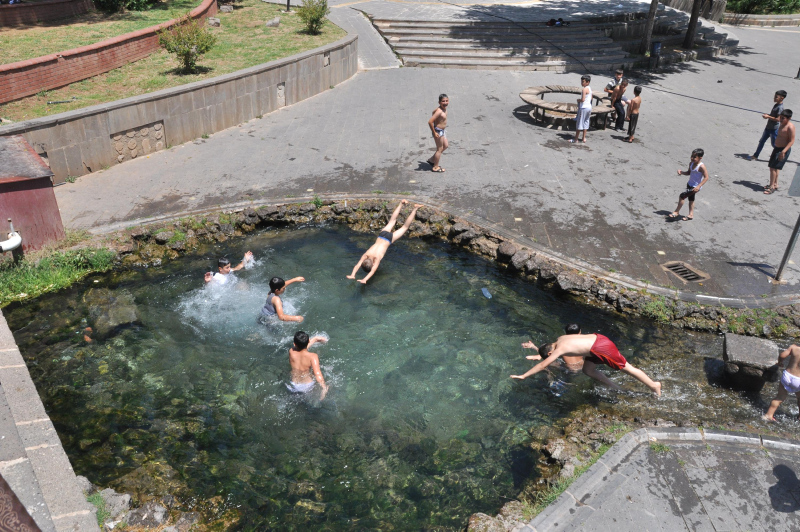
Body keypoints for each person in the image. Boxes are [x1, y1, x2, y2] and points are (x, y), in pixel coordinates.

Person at [511, 333, 662, 396]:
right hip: (597, 342)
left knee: (628, 368)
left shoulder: (560, 349)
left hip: (602, 348)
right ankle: (615, 387)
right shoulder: (561, 338)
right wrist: (536, 348)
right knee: (588, 370)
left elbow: (542, 365)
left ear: (550, 354)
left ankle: (654, 385)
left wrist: (524, 375)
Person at [347, 200, 421, 284]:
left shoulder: (377, 258)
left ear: (373, 264)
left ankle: (415, 209)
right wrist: (352, 274)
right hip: (382, 235)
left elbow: (372, 271)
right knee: (392, 221)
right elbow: (357, 265)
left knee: (404, 227)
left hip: (389, 239)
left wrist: (365, 279)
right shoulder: (366, 255)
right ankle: (401, 203)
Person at [668, 148, 709, 221]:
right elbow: (689, 172)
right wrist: (682, 172)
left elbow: (706, 177)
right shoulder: (691, 163)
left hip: (695, 187)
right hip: (689, 184)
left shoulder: (701, 167)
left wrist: (698, 186)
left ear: (700, 158)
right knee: (691, 199)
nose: (692, 158)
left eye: (694, 157)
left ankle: (676, 212)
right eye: (692, 156)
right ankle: (691, 215)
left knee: (682, 196)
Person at [287, 331, 329, 399]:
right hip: (307, 386)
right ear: (308, 341)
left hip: (293, 384)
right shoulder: (313, 357)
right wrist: (324, 387)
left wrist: (315, 339)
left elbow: (301, 349)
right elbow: (317, 374)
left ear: (294, 344)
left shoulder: (291, 352)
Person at [764, 344, 800, 421]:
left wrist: (780, 362)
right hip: (798, 380)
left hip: (787, 376)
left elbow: (782, 355)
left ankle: (768, 415)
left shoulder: (794, 348)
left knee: (779, 397)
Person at [749, 90, 787, 161]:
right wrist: (768, 115)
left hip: (774, 129)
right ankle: (755, 155)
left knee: (774, 144)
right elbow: (773, 116)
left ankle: (781, 154)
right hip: (768, 127)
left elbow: (778, 119)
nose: (774, 98)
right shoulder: (776, 105)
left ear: (782, 98)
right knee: (762, 141)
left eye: (776, 97)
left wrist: (768, 117)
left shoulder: (780, 108)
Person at [764, 110, 795, 195]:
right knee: (775, 167)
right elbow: (776, 119)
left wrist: (783, 152)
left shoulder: (790, 127)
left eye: (783, 118)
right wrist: (768, 116)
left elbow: (791, 141)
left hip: (782, 150)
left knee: (772, 167)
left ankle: (771, 187)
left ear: (789, 118)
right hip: (777, 148)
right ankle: (775, 184)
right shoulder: (782, 123)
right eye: (780, 117)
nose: (781, 119)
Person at [427, 94, 449, 173]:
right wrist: (434, 132)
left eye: (446, 101)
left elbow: (433, 112)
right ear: (439, 102)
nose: (445, 102)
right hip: (438, 131)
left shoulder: (442, 109)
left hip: (442, 131)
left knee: (445, 146)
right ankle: (435, 167)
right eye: (443, 101)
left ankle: (432, 160)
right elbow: (430, 122)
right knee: (439, 149)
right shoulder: (439, 111)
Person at [570, 75, 592, 144]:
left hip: (583, 108)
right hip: (589, 107)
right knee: (586, 122)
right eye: (581, 81)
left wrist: (578, 100)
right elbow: (591, 98)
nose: (582, 83)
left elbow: (582, 99)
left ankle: (576, 139)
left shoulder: (584, 89)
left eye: (583, 82)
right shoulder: (590, 88)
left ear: (587, 82)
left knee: (579, 123)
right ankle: (583, 138)